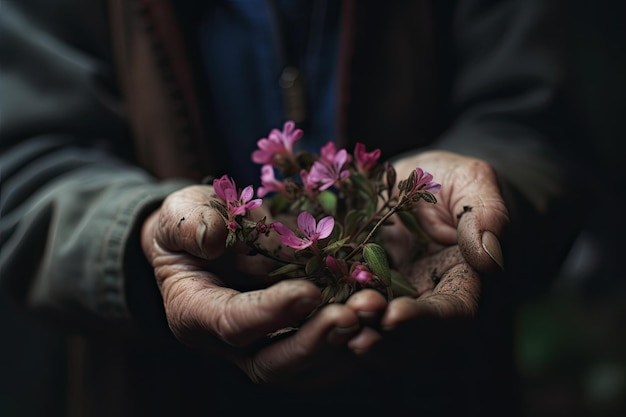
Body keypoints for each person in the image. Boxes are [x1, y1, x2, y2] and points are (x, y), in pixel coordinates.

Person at [0, 0, 587, 416]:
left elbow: (539, 125)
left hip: (441, 385)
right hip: (151, 387)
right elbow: (25, 161)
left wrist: (487, 184)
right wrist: (139, 238)